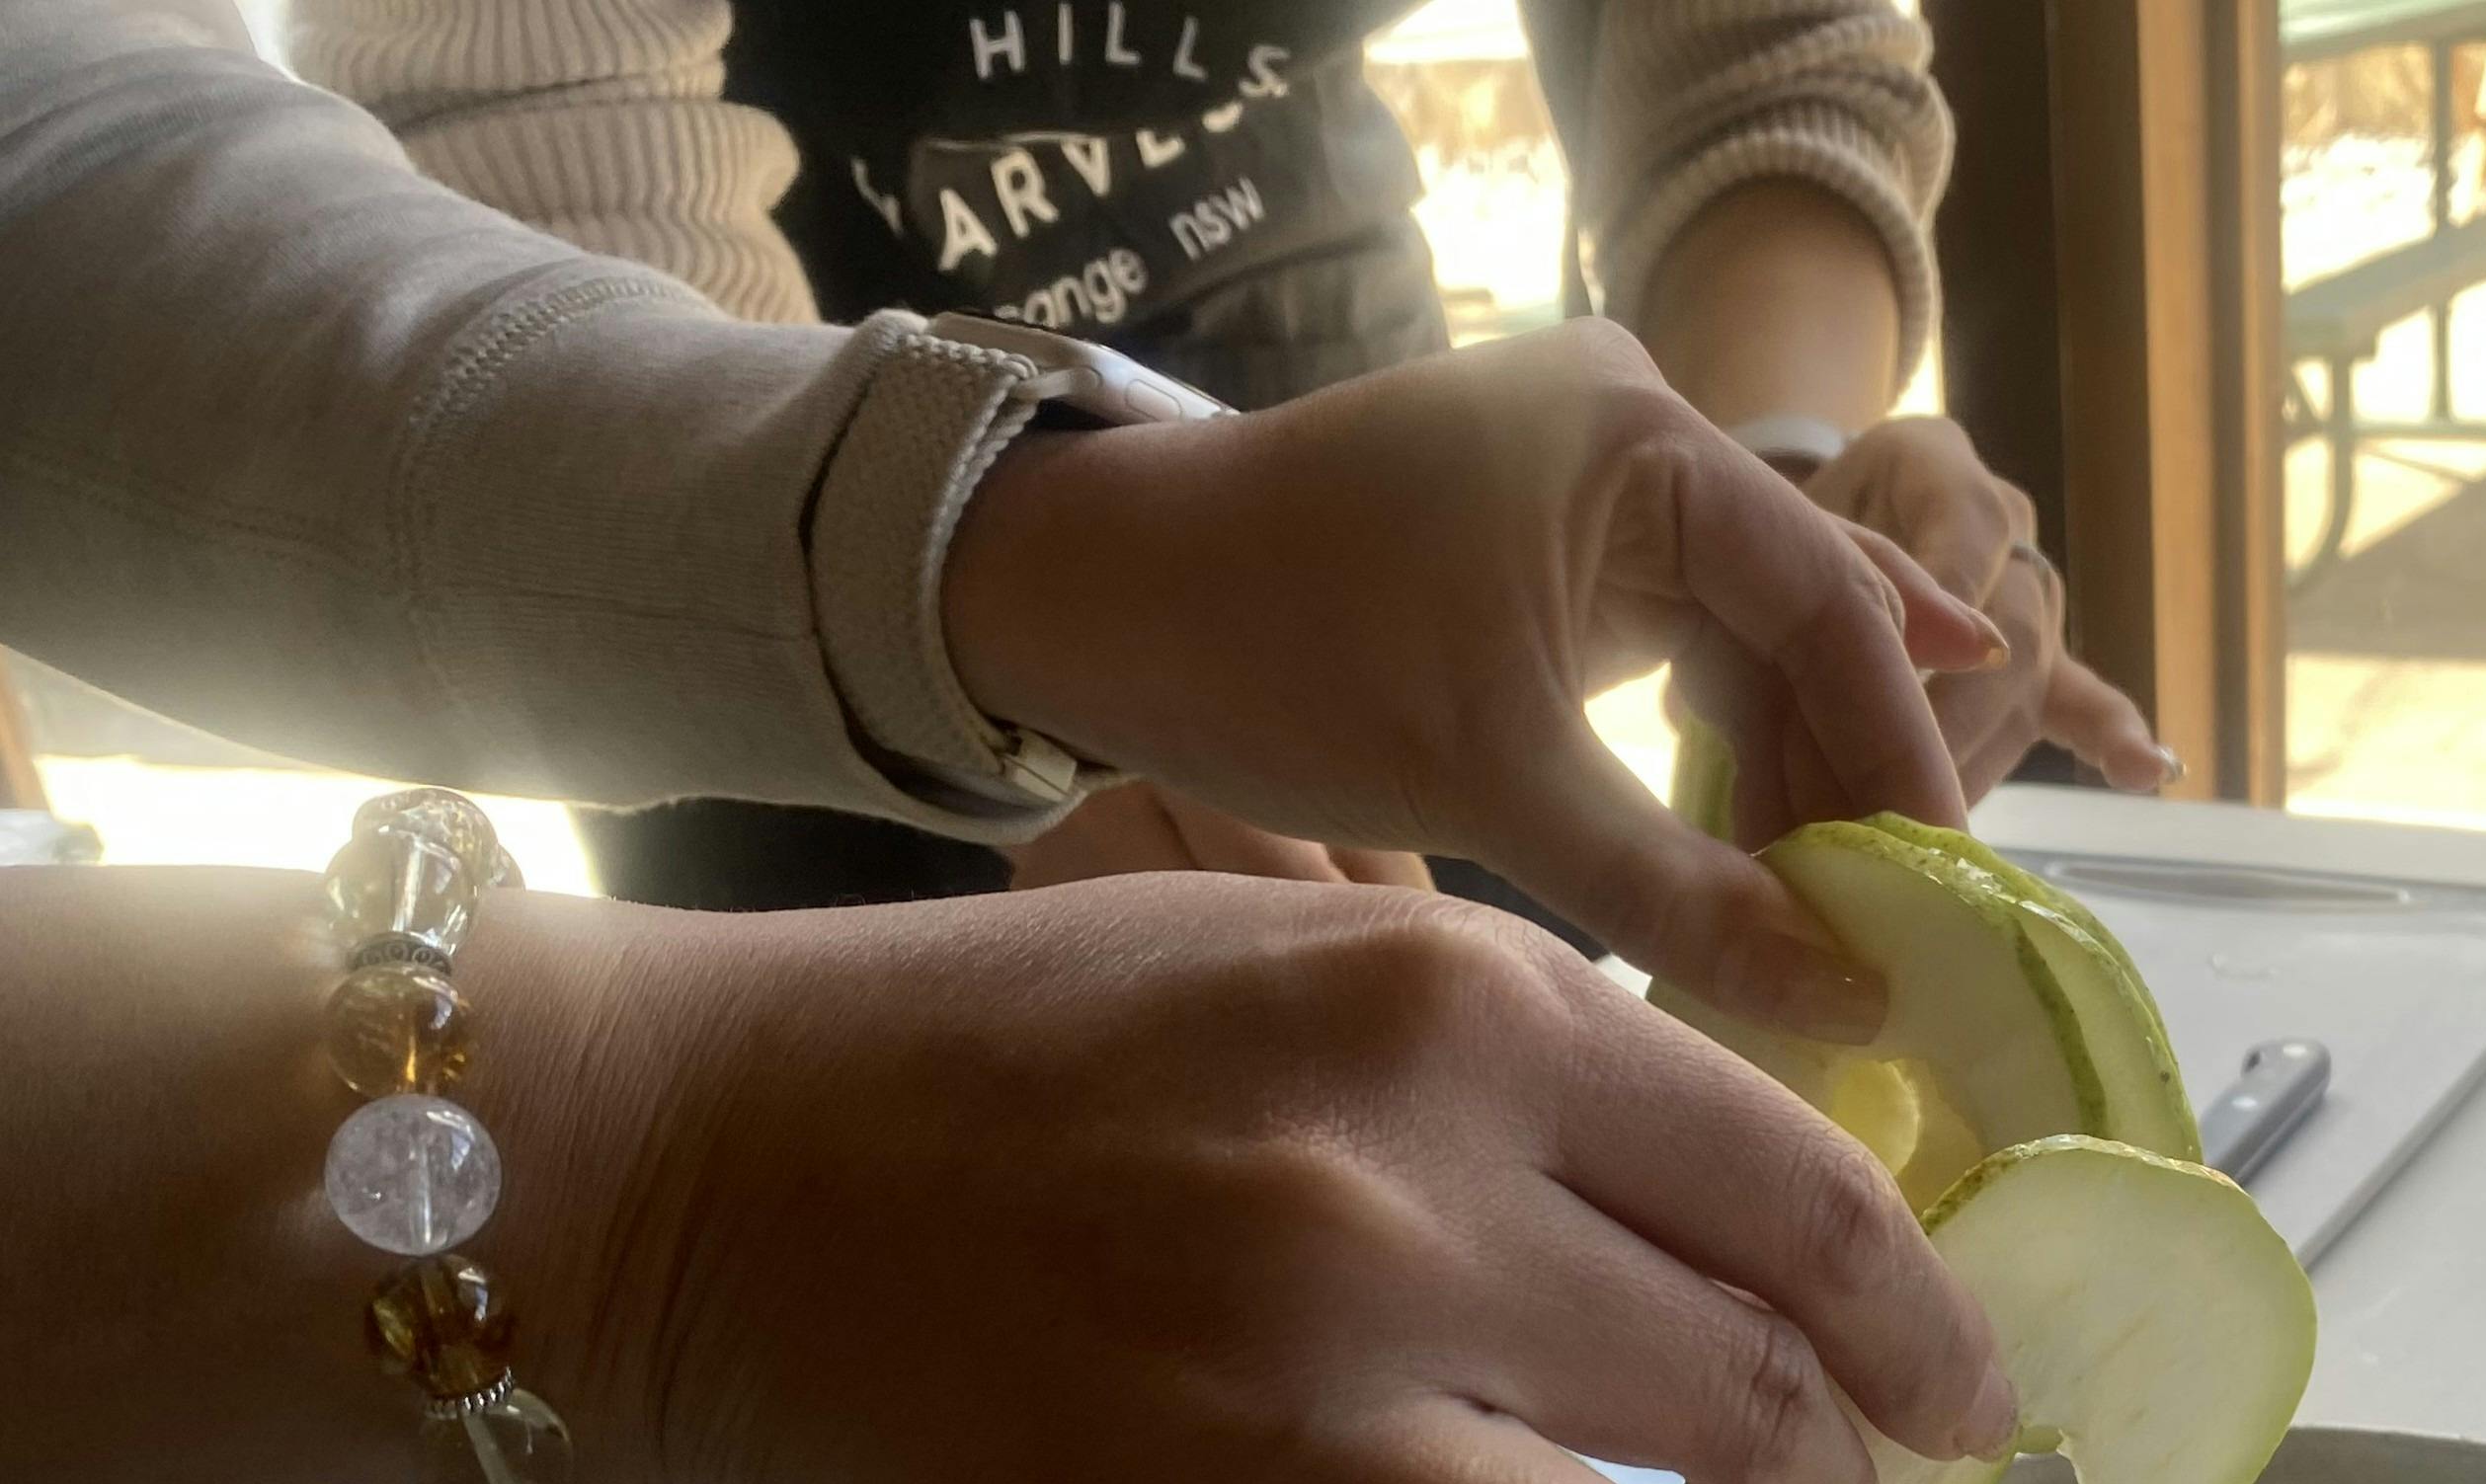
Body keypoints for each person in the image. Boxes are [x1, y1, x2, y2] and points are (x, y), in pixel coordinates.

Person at [2, 1, 2014, 1484]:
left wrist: (1045, 538)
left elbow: (64, 151)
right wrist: (684, 1191)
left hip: (1280, 559)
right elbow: (424, 132)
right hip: (795, 807)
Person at [295, 0, 2173, 912]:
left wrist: (1775, 463)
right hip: (766, 676)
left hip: (1412, 579)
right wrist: (972, 655)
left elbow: (1759, 50)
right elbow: (527, 156)